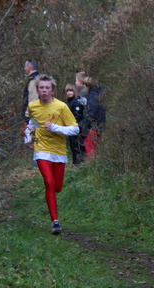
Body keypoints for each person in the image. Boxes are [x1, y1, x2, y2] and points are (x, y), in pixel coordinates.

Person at [25, 75, 79, 235]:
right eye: (41, 88)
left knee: (57, 187)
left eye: (47, 88)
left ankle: (54, 209)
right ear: (37, 90)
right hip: (41, 149)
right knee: (48, 182)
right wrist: (28, 139)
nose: (44, 90)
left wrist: (56, 127)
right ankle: (55, 222)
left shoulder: (61, 107)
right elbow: (31, 124)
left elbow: (75, 129)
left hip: (59, 151)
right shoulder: (33, 106)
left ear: (52, 90)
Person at [80, 75, 106, 161]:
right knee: (95, 148)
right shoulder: (99, 95)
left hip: (93, 127)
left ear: (87, 85)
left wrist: (83, 124)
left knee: (90, 148)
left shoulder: (92, 96)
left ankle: (91, 168)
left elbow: (92, 113)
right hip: (99, 125)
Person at [64, 83, 86, 164]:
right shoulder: (70, 102)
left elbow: (77, 116)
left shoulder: (76, 102)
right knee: (74, 146)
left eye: (71, 91)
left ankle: (78, 163)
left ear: (74, 91)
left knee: (77, 146)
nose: (69, 93)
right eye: (67, 91)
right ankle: (76, 163)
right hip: (71, 127)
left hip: (77, 128)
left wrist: (75, 127)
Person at [22, 59, 40, 123]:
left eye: (25, 66)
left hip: (32, 117)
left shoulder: (33, 81)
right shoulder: (38, 78)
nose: (24, 68)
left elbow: (33, 99)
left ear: (28, 68)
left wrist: (28, 116)